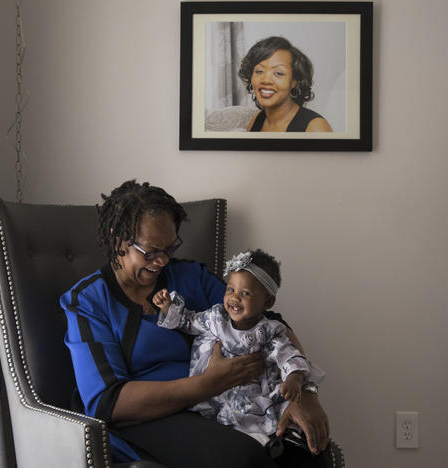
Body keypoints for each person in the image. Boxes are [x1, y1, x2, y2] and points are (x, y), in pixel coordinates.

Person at [61, 180, 337, 467]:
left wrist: (305, 395)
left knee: (310, 451)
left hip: (226, 402)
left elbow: (269, 323)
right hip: (150, 417)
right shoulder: (87, 301)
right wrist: (206, 384)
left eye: (170, 248)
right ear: (117, 237)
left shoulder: (191, 276)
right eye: (151, 251)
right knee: (241, 458)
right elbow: (108, 402)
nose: (162, 261)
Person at [153, 249, 326, 452]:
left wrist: (294, 378)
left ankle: (278, 443)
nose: (234, 298)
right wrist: (167, 308)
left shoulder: (267, 331)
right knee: (223, 422)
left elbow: (286, 354)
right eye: (230, 290)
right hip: (216, 391)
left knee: (264, 417)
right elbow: (189, 321)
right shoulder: (216, 318)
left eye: (245, 293)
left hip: (252, 393)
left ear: (267, 302)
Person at [238, 36, 333, 133]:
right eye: (259, 71)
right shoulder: (256, 121)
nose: (266, 80)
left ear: (294, 81)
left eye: (278, 73)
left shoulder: (315, 127)